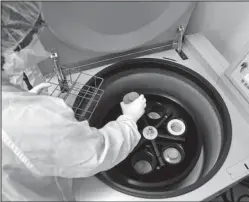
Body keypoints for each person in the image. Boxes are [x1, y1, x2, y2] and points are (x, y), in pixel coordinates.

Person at [2, 57, 146, 200]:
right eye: (31, 36)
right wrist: (129, 119)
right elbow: (98, 153)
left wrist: (23, 99)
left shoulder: (13, 110)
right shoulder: (26, 121)